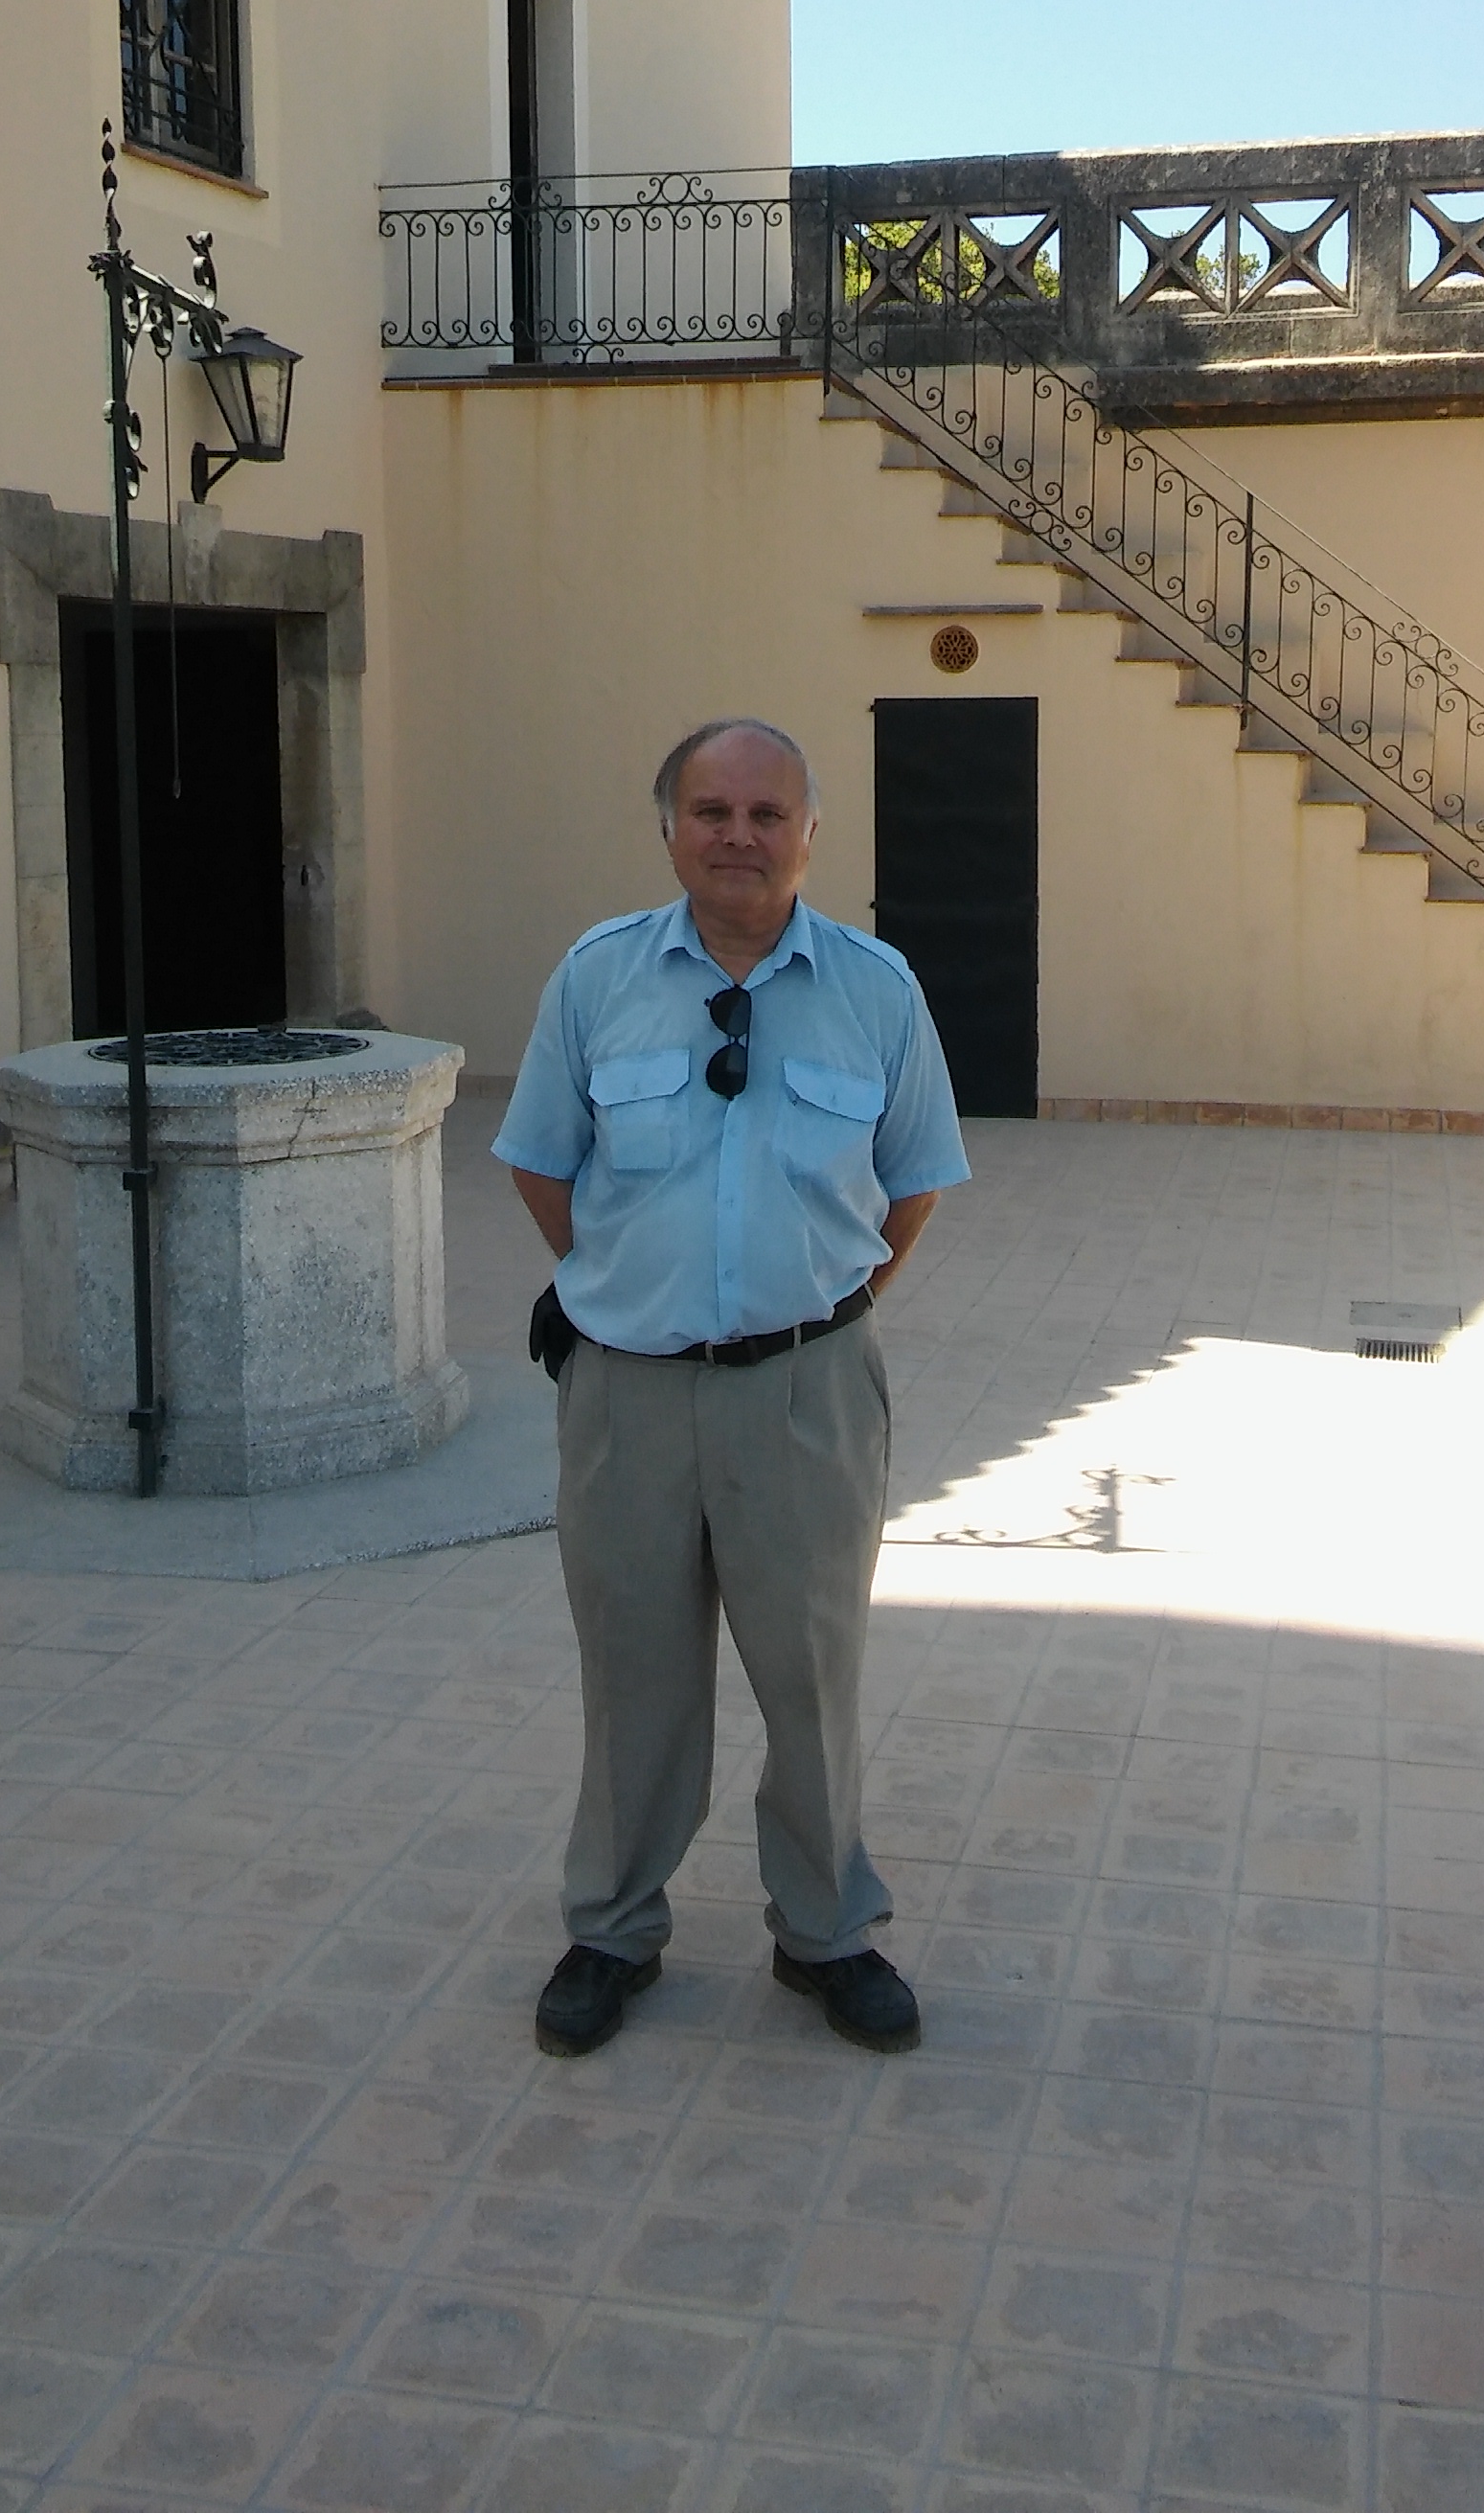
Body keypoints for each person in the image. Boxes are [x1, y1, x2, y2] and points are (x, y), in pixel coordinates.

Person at [493, 718, 970, 2058]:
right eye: (712, 811)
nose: (739, 837)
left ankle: (824, 1931)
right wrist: (622, 1286)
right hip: (627, 1399)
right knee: (632, 1670)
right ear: (670, 831)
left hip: (808, 1396)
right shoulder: (596, 980)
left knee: (812, 1676)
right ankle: (611, 1928)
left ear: (811, 833)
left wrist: (827, 1311)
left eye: (768, 814)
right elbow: (540, 1159)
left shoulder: (879, 991)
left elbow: (918, 1182)